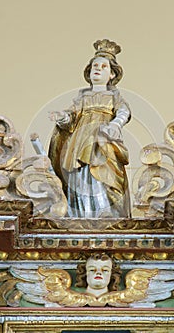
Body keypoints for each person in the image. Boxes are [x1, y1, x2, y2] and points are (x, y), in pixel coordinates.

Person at [49, 39, 131, 218]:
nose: (98, 69)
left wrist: (115, 124)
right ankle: (82, 212)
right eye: (95, 66)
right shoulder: (82, 97)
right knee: (78, 174)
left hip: (102, 140)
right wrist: (62, 117)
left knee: (103, 173)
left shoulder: (114, 95)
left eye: (103, 67)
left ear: (111, 75)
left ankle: (104, 212)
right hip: (79, 140)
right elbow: (70, 117)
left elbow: (124, 112)